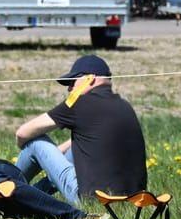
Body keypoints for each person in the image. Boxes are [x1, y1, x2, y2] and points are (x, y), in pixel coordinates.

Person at [14, 54, 149, 203]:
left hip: (92, 200)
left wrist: (29, 150)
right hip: (133, 200)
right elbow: (87, 144)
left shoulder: (79, 103)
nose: (70, 89)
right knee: (73, 152)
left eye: (72, 82)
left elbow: (23, 133)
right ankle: (30, 197)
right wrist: (55, 154)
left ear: (89, 79)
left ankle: (5, 193)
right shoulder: (125, 105)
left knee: (36, 142)